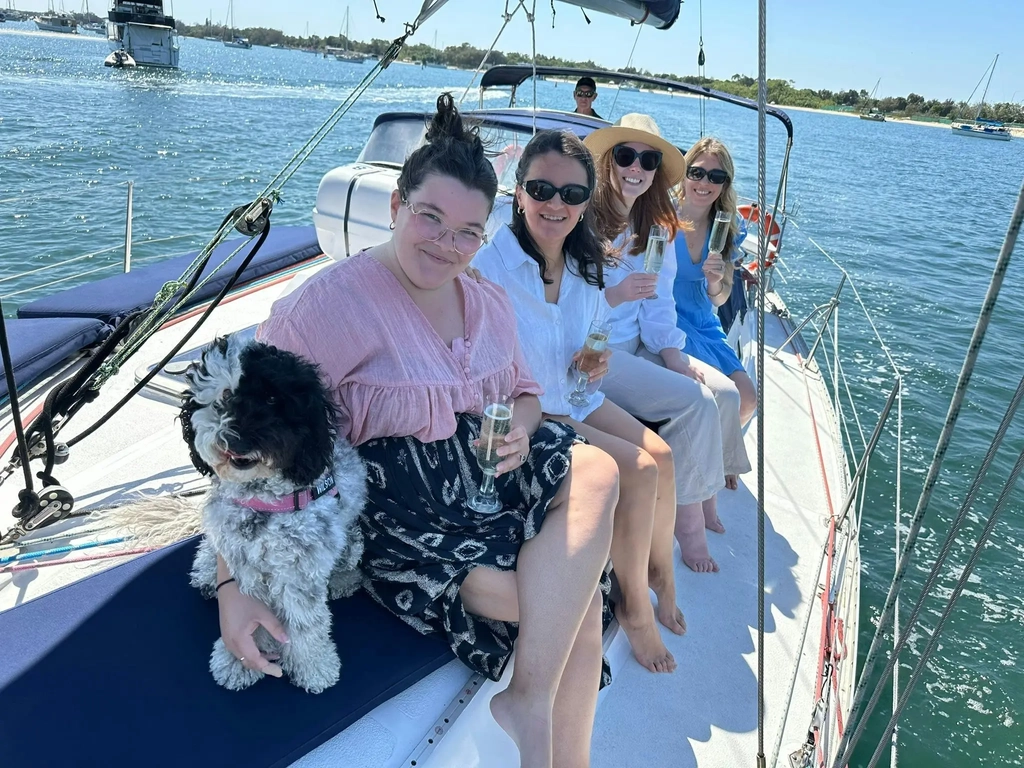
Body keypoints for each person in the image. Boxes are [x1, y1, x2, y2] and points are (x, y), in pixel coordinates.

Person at [219, 95, 620, 768]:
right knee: (560, 602)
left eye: (468, 232)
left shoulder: (485, 301)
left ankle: (531, 706)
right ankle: (554, 746)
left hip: (488, 478)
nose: (447, 243)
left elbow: (524, 392)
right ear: (398, 207)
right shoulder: (325, 308)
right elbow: (243, 449)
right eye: (430, 217)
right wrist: (233, 587)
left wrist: (522, 429)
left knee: (600, 471)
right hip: (396, 511)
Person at [474, 128, 685, 677]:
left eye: (571, 195)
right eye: (541, 189)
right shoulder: (490, 269)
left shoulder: (582, 263)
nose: (555, 204)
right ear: (518, 192)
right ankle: (635, 607)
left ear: (585, 203)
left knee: (662, 456)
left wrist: (596, 362)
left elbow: (590, 342)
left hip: (575, 394)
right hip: (536, 410)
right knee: (638, 469)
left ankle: (656, 571)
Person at [584, 113, 727, 567]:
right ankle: (688, 527)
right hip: (594, 349)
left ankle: (704, 499)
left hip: (637, 343)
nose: (636, 167)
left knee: (719, 392)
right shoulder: (581, 215)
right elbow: (564, 309)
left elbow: (659, 305)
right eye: (626, 155)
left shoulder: (658, 227)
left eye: (648, 160)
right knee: (697, 402)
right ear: (608, 161)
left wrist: (672, 355)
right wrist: (615, 295)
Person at [673, 137, 756, 490]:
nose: (704, 183)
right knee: (718, 395)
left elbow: (720, 300)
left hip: (702, 321)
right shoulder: (662, 214)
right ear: (685, 173)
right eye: (697, 172)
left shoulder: (726, 228)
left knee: (748, 398)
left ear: (725, 184)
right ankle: (713, 463)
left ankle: (720, 453)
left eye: (716, 177)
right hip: (666, 316)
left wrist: (714, 279)